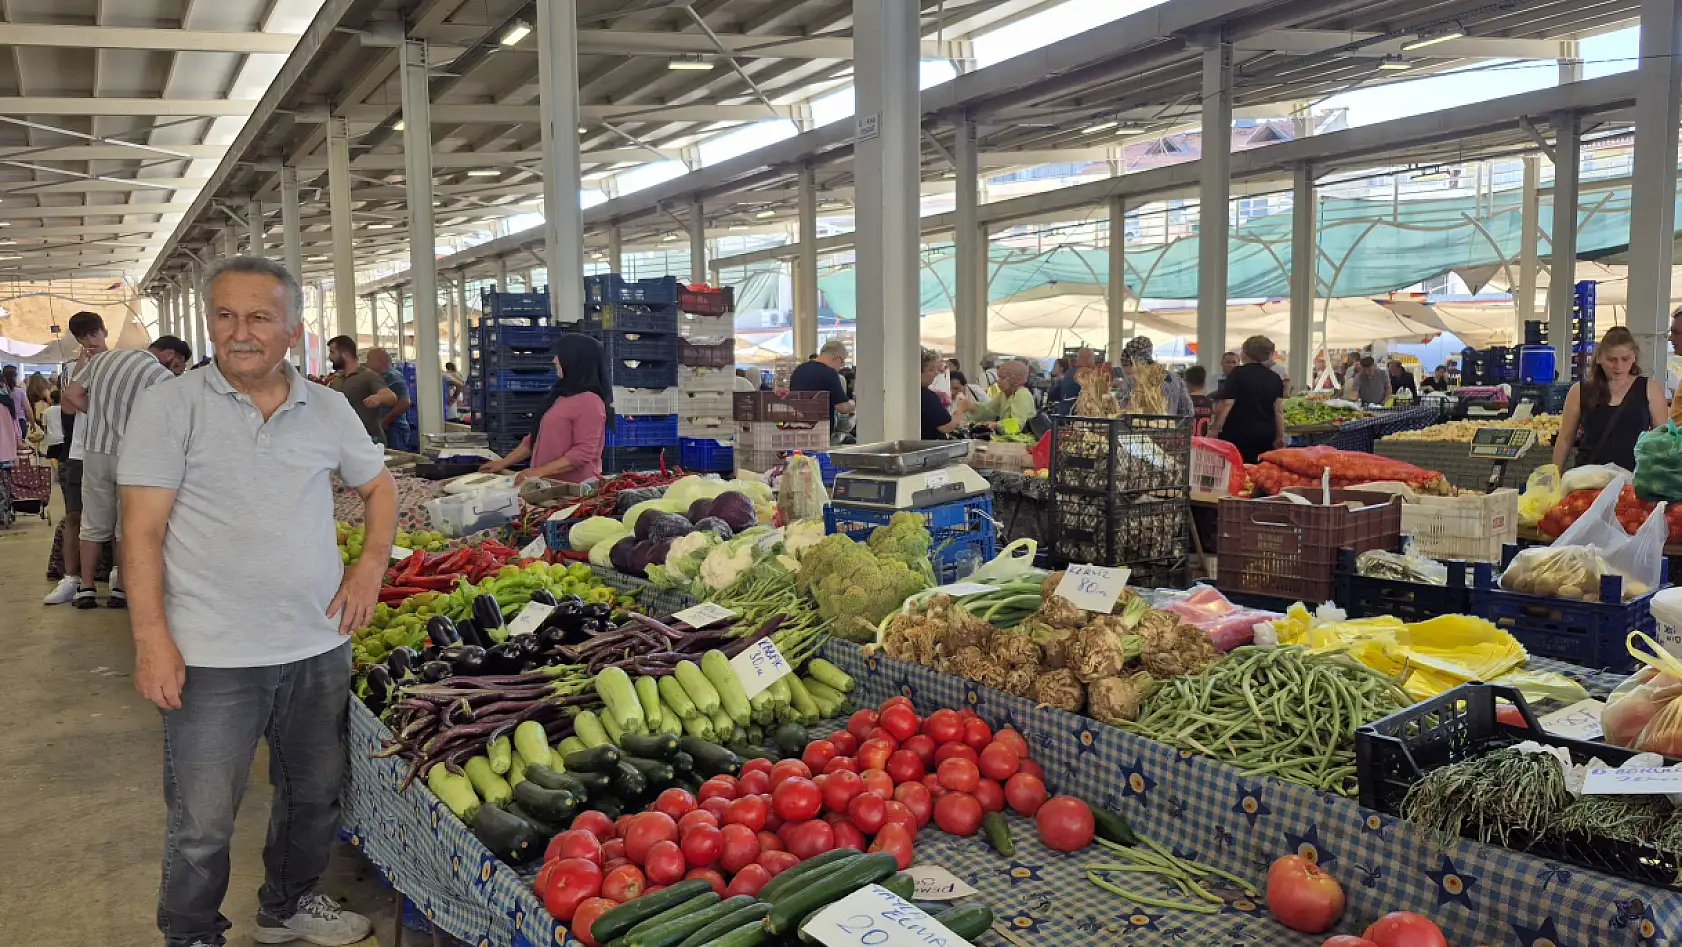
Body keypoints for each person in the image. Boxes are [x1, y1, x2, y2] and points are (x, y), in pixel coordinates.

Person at [119, 256, 393, 947]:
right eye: (225, 315)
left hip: (317, 643)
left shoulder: (327, 406)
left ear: (292, 330)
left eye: (259, 316)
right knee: (203, 818)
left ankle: (288, 904)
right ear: (209, 321)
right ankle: (190, 933)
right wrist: (152, 639)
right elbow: (141, 531)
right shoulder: (170, 405)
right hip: (212, 654)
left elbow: (379, 488)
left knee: (312, 796)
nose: (240, 332)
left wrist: (368, 569)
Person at [63, 310, 174, 609]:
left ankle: (86, 587)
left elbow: (72, 395)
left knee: (92, 522)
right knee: (127, 525)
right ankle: (121, 589)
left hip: (96, 450)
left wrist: (95, 411)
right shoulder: (155, 371)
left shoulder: (99, 362)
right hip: (131, 455)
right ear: (166, 355)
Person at [481, 334, 611, 485]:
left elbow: (582, 453)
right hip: (545, 484)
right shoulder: (561, 396)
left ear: (575, 360)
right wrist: (503, 463)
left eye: (560, 355)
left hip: (572, 489)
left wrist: (538, 472)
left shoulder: (590, 402)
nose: (555, 360)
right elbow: (534, 439)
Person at [1552, 326, 1669, 472]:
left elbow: (1664, 439)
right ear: (1599, 357)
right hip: (1588, 479)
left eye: (1625, 359)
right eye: (1611, 360)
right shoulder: (1579, 391)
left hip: (1635, 480)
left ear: (1634, 356)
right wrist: (1555, 476)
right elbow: (1565, 439)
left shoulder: (1650, 389)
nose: (1618, 366)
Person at [1211, 335, 1287, 464]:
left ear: (1246, 353)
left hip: (1238, 432)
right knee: (1260, 472)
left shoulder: (1237, 373)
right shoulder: (1275, 378)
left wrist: (1214, 430)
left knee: (1237, 469)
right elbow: (1278, 410)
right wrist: (1280, 436)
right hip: (1266, 433)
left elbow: (1227, 404)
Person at [324, 336, 388, 445]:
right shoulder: (337, 381)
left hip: (370, 442)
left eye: (332, 352)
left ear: (346, 354)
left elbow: (390, 396)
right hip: (346, 442)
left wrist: (378, 398)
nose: (330, 357)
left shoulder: (368, 376)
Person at [1115, 337, 1194, 416]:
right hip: (1170, 427)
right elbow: (1188, 411)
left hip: (1136, 427)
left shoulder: (1130, 381)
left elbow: (1117, 412)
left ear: (1132, 362)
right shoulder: (1174, 377)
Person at [789, 340, 855, 424]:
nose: (841, 366)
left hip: (797, 427)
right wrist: (852, 403)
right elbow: (842, 407)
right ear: (835, 357)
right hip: (820, 431)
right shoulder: (829, 373)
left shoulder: (799, 369)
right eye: (842, 362)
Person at [965, 360, 1037, 430]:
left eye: (1002, 378)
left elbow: (1017, 425)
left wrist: (997, 425)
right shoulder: (1004, 394)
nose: (998, 381)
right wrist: (971, 406)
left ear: (1014, 380)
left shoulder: (1022, 395)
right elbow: (989, 409)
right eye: (999, 377)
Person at [365, 348, 413, 450]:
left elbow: (405, 403)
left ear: (381, 360)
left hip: (394, 429)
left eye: (369, 359)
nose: (366, 363)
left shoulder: (393, 376)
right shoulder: (377, 377)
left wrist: (386, 421)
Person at [920, 348, 971, 438]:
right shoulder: (927, 397)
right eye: (931, 370)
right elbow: (946, 427)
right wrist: (961, 409)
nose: (936, 373)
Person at [1185, 364, 1214, 436]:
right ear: (1204, 383)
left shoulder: (1183, 402)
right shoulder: (1210, 403)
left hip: (1186, 442)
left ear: (1187, 382)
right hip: (1203, 443)